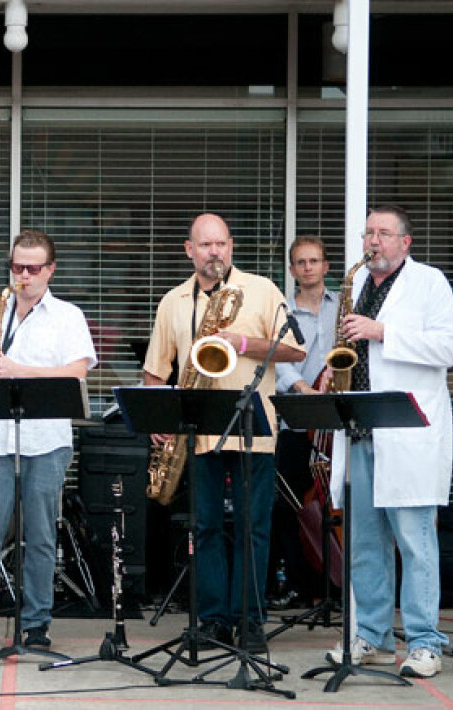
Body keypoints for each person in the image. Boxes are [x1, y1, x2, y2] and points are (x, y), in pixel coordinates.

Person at [143, 212, 304, 653]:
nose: (215, 252)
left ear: (231, 246)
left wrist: (242, 343)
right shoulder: (174, 300)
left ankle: (250, 620)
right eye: (206, 245)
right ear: (189, 249)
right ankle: (214, 618)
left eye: (222, 244)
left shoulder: (262, 290)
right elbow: (156, 371)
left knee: (255, 526)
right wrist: (160, 420)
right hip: (199, 432)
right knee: (206, 527)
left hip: (253, 427)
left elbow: (295, 349)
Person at [322, 205, 453, 679]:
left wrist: (383, 332)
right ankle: (375, 637)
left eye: (383, 233)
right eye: (368, 233)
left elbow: (448, 348)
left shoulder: (430, 283)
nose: (372, 241)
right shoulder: (358, 285)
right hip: (361, 429)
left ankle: (424, 643)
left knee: (415, 541)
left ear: (406, 242)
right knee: (364, 541)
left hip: (406, 432)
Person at [0, 229, 96, 653]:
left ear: (50, 270)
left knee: (40, 537)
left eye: (34, 269)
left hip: (47, 441)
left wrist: (17, 370)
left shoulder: (68, 316)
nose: (24, 276)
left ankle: (36, 625)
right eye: (17, 267)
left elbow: (76, 374)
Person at [272, 236, 339, 606]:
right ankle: (302, 585)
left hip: (337, 424)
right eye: (301, 262)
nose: (308, 267)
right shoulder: (282, 311)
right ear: (292, 269)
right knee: (294, 508)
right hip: (297, 422)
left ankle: (338, 583)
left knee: (337, 506)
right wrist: (302, 387)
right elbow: (277, 361)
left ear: (326, 266)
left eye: (314, 261)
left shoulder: (344, 307)